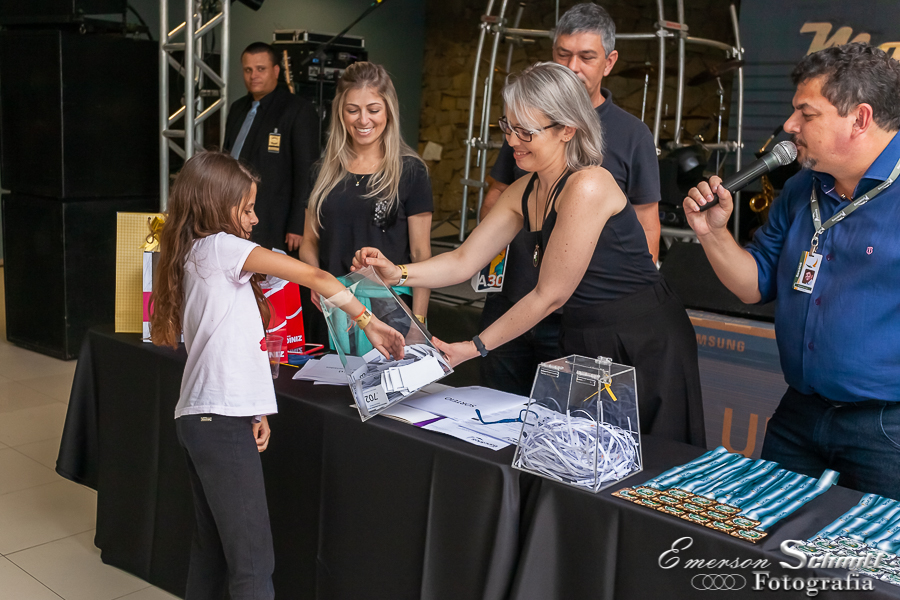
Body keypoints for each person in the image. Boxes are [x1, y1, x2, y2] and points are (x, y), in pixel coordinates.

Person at [356, 63, 704, 446]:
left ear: (567, 129)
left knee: (653, 461)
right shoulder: (525, 189)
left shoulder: (588, 184)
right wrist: (398, 273)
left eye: (526, 132)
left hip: (642, 339)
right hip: (583, 334)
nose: (512, 141)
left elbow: (549, 294)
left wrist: (473, 347)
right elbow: (463, 260)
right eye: (508, 127)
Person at [149, 152, 404, 599]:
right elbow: (315, 275)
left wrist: (255, 409)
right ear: (215, 205)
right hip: (218, 422)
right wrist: (369, 322)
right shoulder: (223, 247)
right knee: (253, 564)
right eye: (246, 208)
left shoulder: (196, 252)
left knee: (213, 552)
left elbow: (227, 346)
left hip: (205, 417)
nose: (255, 218)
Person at [683, 43, 900, 498]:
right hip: (799, 413)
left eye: (807, 113)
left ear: (860, 119)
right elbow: (754, 285)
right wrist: (713, 233)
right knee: (768, 532)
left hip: (885, 429)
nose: (789, 125)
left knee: (872, 545)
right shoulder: (803, 187)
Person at [478, 3, 661, 397]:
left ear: (609, 62)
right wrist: (489, 257)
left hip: (577, 314)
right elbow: (498, 194)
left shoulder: (631, 137)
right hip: (513, 298)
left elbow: (647, 224)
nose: (573, 66)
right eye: (563, 54)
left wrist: (622, 301)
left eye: (586, 57)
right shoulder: (525, 125)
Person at [299, 62, 433, 354]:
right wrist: (316, 280)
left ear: (388, 111)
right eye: (353, 110)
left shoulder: (411, 171)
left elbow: (421, 254)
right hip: (332, 306)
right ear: (340, 112)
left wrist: (418, 321)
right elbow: (309, 242)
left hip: (391, 310)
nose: (363, 120)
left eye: (373, 109)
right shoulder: (321, 172)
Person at [224, 42, 319, 253]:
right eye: (248, 70)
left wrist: (298, 224)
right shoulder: (237, 108)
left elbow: (307, 172)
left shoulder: (298, 110)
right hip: (232, 214)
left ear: (276, 71)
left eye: (261, 69)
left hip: (276, 221)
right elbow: (226, 158)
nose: (253, 76)